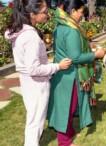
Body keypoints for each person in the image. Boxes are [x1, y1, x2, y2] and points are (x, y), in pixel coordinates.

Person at [4, 0, 72, 146]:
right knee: (35, 124)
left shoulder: (21, 31)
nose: (48, 14)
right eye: (45, 12)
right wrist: (57, 66)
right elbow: (34, 69)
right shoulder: (30, 37)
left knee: (33, 120)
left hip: (29, 82)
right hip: (37, 85)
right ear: (33, 15)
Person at [46, 0, 105, 146]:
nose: (82, 16)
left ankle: (69, 132)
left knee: (68, 106)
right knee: (67, 109)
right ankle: (64, 142)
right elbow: (76, 58)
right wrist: (95, 55)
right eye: (80, 12)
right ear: (72, 12)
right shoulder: (72, 30)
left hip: (62, 74)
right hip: (69, 76)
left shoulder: (60, 26)